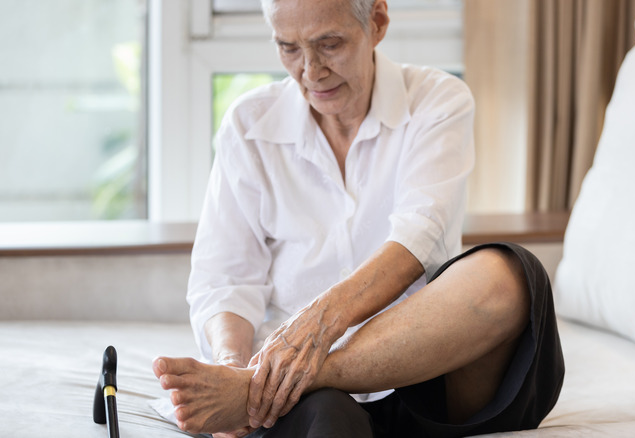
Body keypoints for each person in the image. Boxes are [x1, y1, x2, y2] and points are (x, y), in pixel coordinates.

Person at [153, 0, 565, 436]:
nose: (311, 72)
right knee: (329, 417)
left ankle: (271, 383)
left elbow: (417, 241)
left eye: (329, 45)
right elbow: (226, 282)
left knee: (510, 274)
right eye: (288, 48)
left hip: (424, 373)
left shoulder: (436, 100)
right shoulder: (248, 125)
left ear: (378, 22)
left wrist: (309, 335)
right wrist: (230, 365)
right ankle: (274, 384)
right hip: (312, 405)